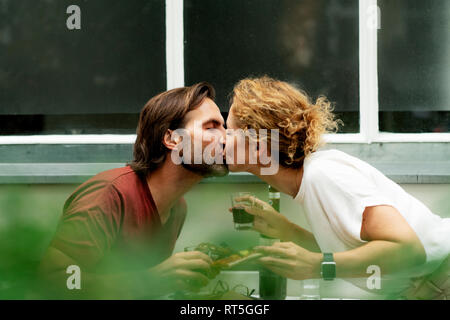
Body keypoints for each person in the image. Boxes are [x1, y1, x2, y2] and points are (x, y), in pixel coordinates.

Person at [225, 76, 450, 299]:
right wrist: (287, 230)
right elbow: (350, 253)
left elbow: (409, 250)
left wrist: (319, 266)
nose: (222, 140)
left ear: (256, 145)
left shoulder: (324, 175)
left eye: (229, 131)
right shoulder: (311, 181)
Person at [38, 82, 228, 299]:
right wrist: (152, 279)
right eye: (211, 127)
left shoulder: (177, 207)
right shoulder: (109, 194)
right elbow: (53, 280)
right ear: (172, 140)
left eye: (223, 127)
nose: (225, 138)